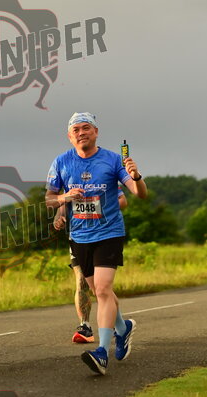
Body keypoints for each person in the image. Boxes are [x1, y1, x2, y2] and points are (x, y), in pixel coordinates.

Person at [45, 112, 147, 375]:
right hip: (80, 236)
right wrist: (65, 198)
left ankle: (102, 352)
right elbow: (49, 199)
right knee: (99, 291)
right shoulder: (61, 162)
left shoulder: (113, 160)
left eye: (86, 128)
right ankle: (123, 328)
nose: (81, 133)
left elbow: (139, 194)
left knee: (102, 289)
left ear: (96, 132)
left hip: (109, 233)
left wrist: (136, 176)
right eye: (76, 130)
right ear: (70, 136)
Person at [54, 188, 128, 343]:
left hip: (102, 236)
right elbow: (63, 203)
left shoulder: (104, 177)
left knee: (100, 289)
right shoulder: (68, 177)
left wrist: (101, 208)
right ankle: (85, 327)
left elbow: (122, 201)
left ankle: (119, 325)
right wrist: (59, 216)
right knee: (81, 280)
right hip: (78, 237)